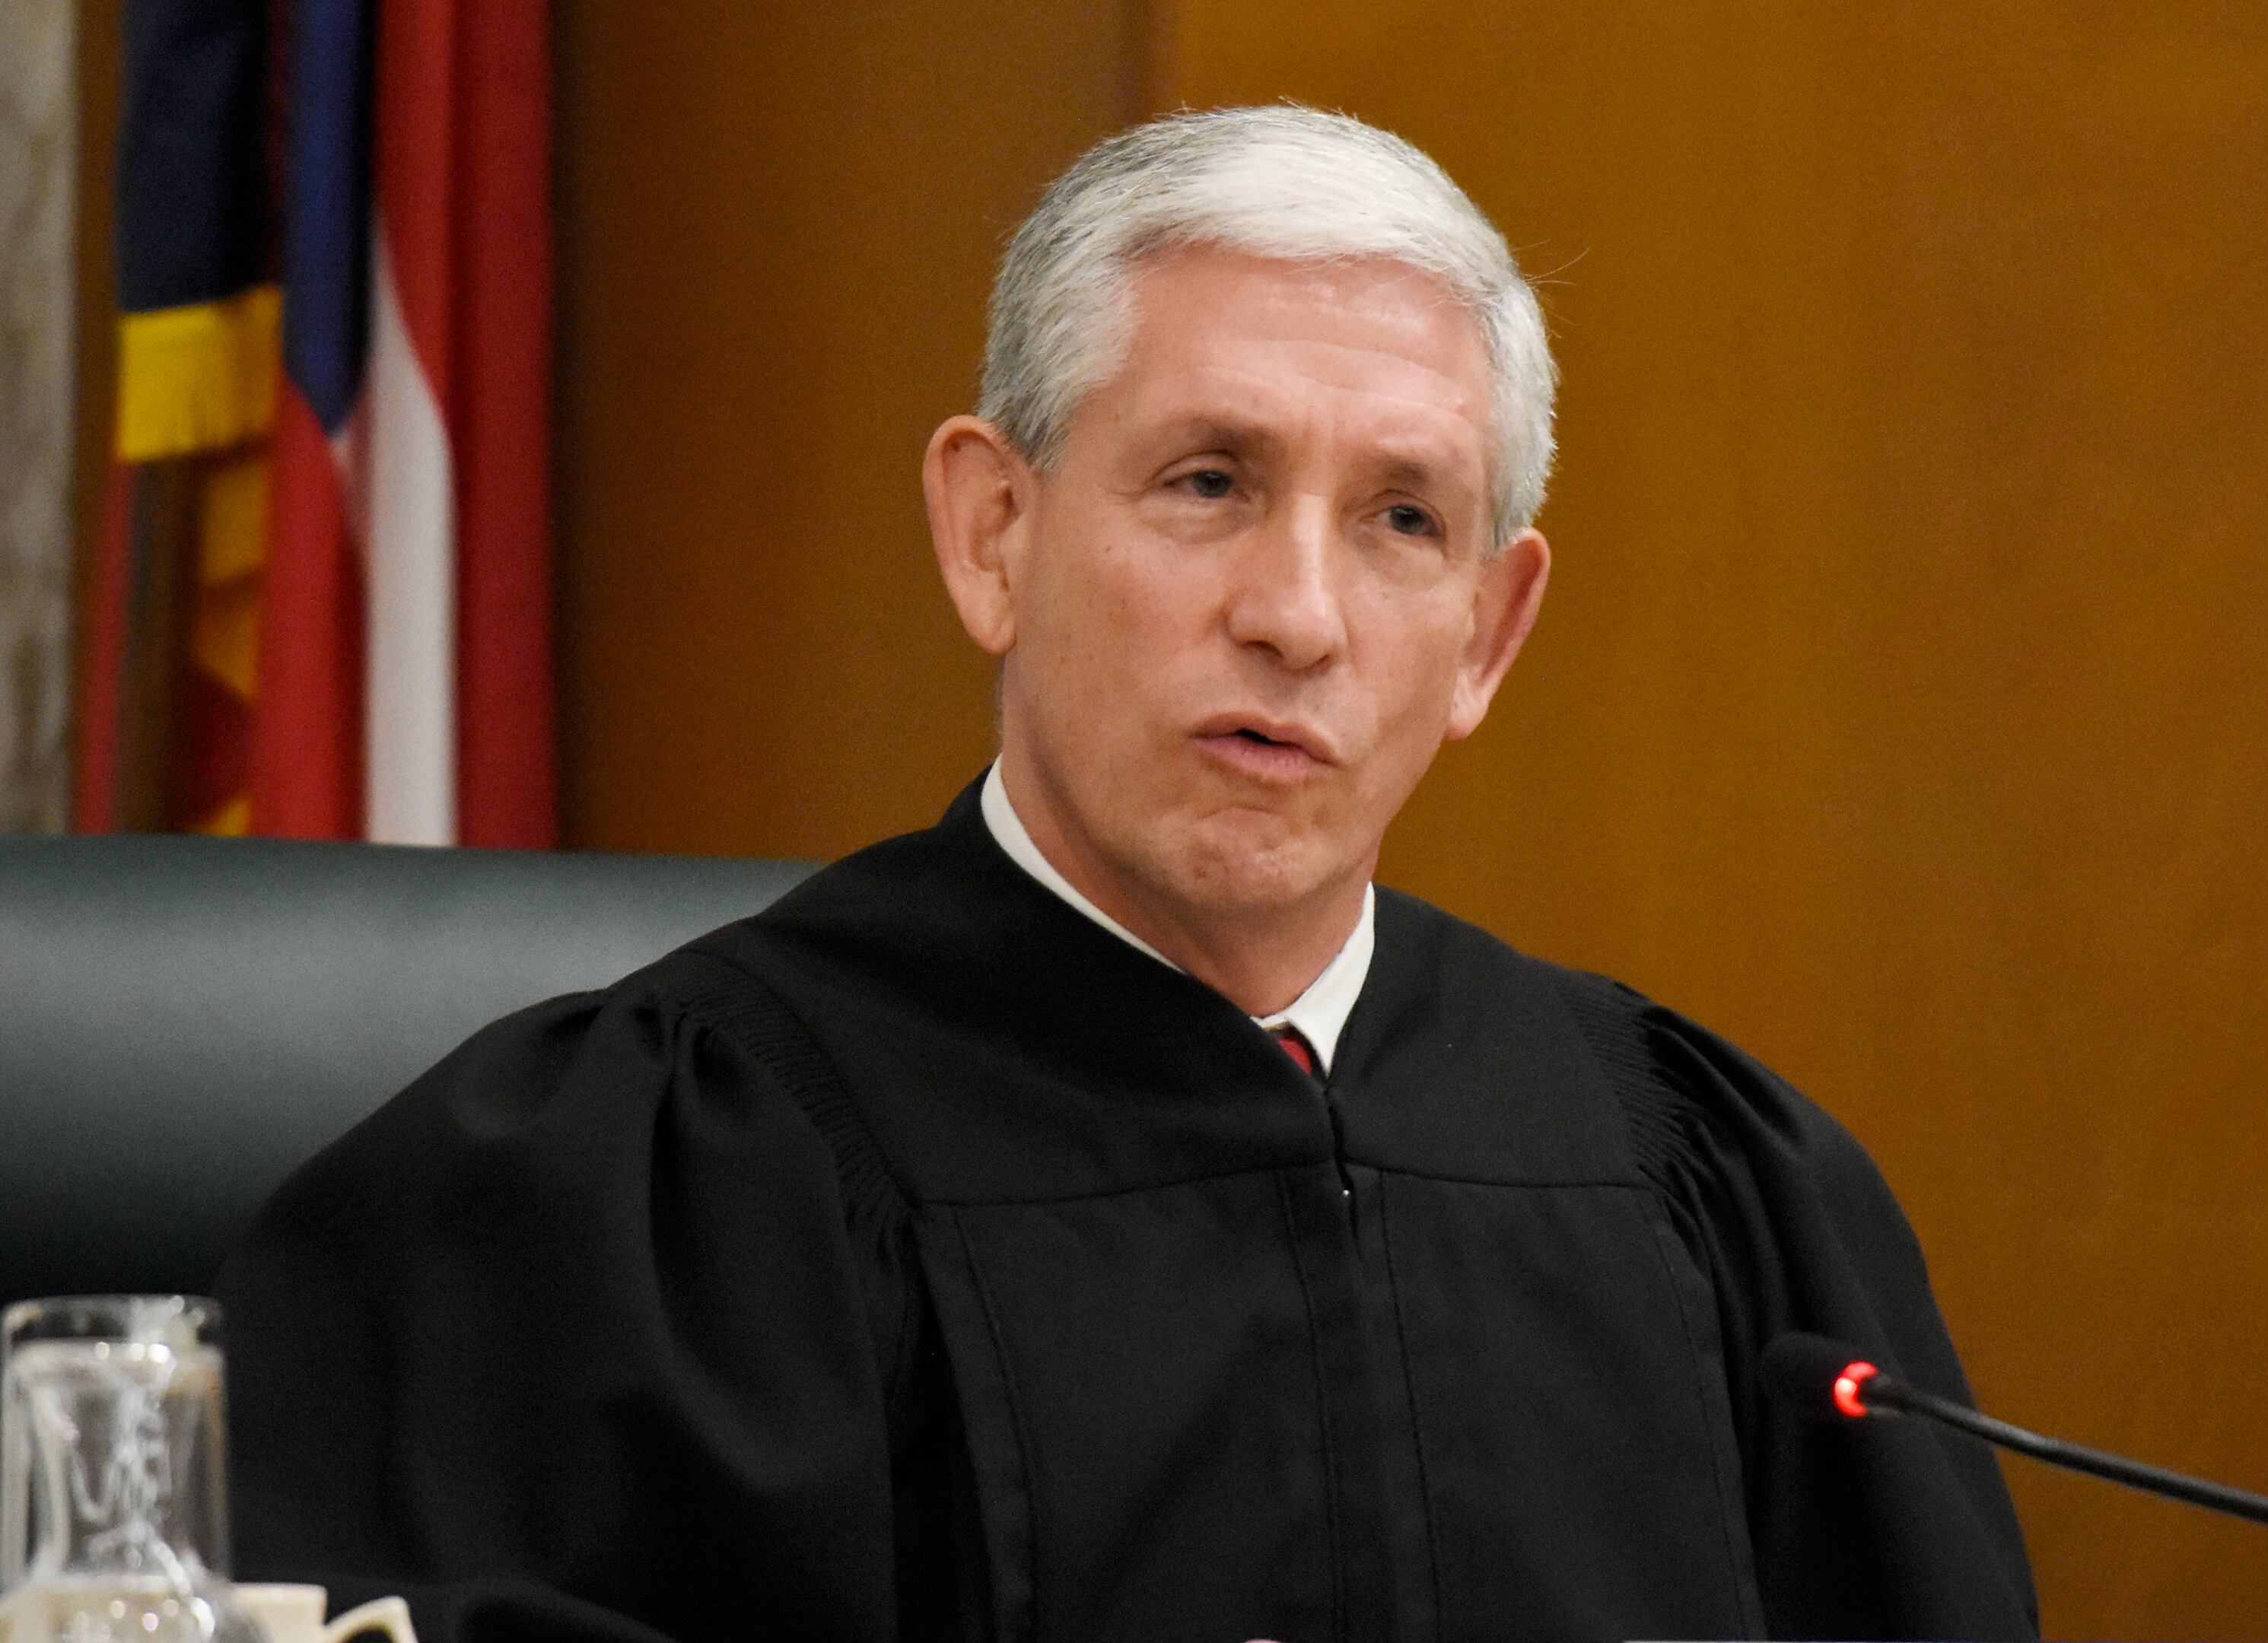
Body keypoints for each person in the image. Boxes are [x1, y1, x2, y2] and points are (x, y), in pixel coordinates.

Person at [218, 106, 2037, 1643]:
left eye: (1404, 519)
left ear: (1490, 633)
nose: (1298, 616)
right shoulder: (648, 1184)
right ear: (992, 532)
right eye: (1208, 483)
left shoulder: (1706, 1188)